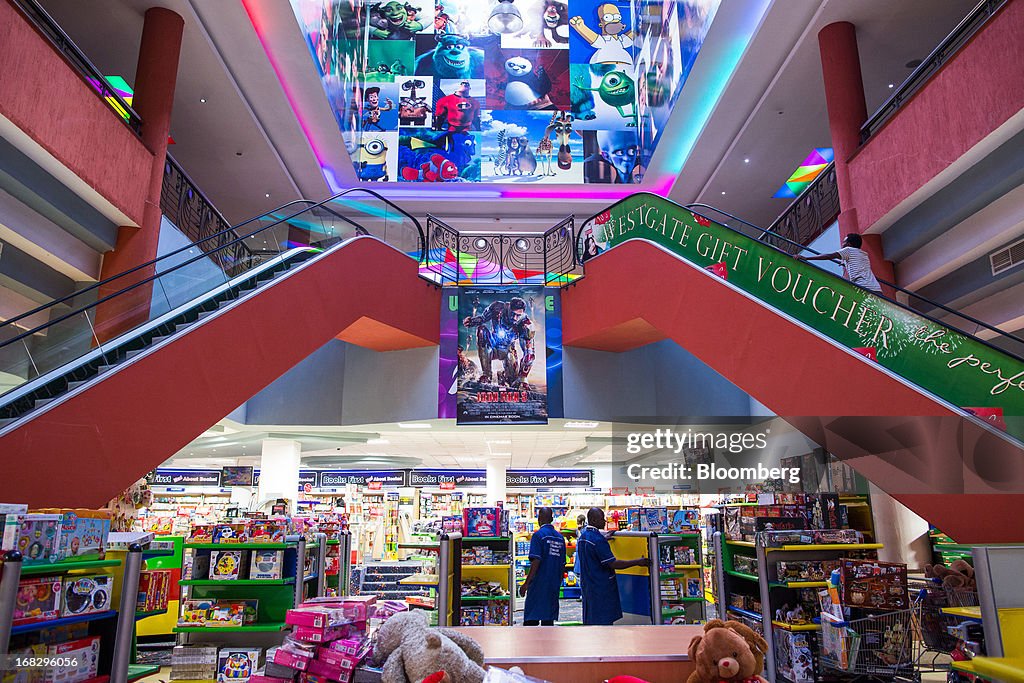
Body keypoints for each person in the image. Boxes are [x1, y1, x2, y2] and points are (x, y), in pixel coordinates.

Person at [577, 507, 649, 625]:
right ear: (594, 520)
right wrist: (638, 561)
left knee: (591, 619)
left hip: (589, 586)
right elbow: (613, 563)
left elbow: (593, 552)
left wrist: (604, 539)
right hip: (601, 587)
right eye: (602, 519)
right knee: (603, 623)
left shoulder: (583, 537)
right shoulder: (598, 540)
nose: (604, 521)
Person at [518, 507, 566, 626]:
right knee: (548, 621)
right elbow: (562, 564)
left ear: (539, 519)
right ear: (551, 519)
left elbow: (536, 562)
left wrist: (526, 584)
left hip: (539, 584)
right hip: (553, 584)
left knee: (531, 620)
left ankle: (531, 644)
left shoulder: (538, 536)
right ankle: (547, 644)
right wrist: (558, 581)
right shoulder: (560, 538)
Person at [795, 233, 882, 293]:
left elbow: (829, 256)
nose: (842, 244)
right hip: (876, 288)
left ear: (849, 244)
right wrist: (845, 263)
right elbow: (857, 264)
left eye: (844, 242)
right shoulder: (863, 254)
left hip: (864, 287)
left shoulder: (848, 250)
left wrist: (806, 258)